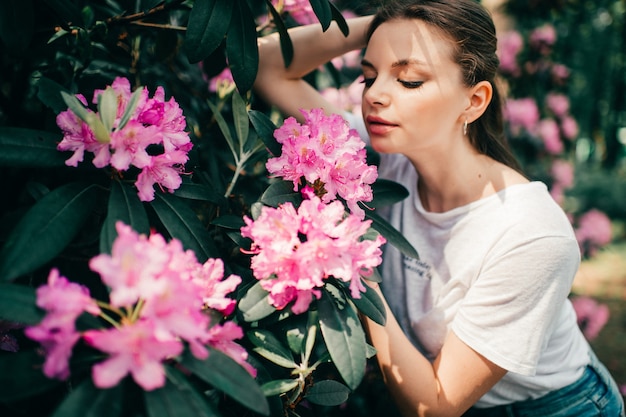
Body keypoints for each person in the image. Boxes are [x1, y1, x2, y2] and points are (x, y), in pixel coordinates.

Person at [253, 1, 626, 416]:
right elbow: (265, 62)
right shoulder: (376, 156)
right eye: (369, 75)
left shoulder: (532, 234)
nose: (375, 95)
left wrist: (352, 264)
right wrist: (389, 24)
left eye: (409, 80)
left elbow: (432, 408)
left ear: (474, 101)